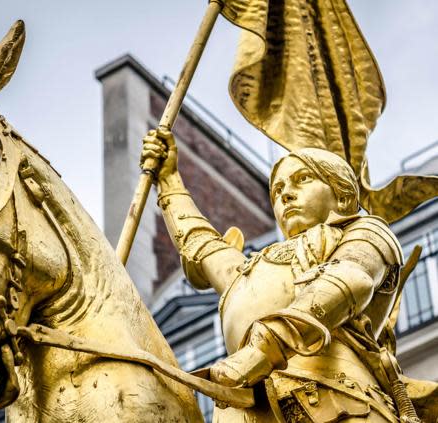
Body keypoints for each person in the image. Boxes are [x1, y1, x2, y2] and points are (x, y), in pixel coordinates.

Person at [141, 128, 410, 422]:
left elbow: (350, 280)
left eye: (302, 180)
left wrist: (260, 350)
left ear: (343, 197)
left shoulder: (365, 232)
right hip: (247, 409)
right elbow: (200, 243)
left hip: (338, 400)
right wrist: (168, 180)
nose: (286, 195)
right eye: (277, 191)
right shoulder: (254, 267)